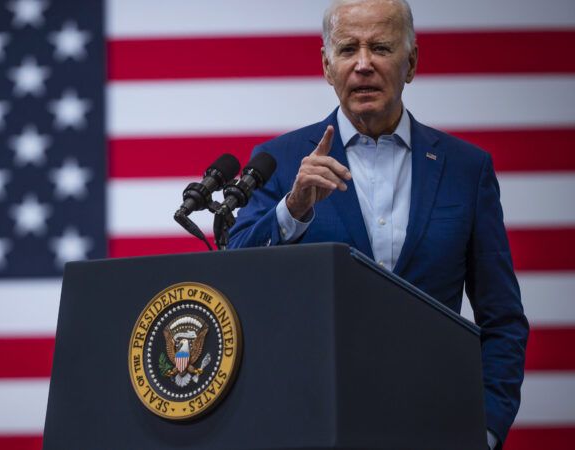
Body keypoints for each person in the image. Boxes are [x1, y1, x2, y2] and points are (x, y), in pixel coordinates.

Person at [227, 0, 529, 448]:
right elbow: (235, 276)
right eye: (348, 49)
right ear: (327, 67)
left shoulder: (467, 169)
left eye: (381, 48)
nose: (363, 64)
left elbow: (502, 319)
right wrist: (293, 208)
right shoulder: (282, 161)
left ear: (411, 62)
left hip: (435, 425)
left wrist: (483, 429)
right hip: (315, 426)